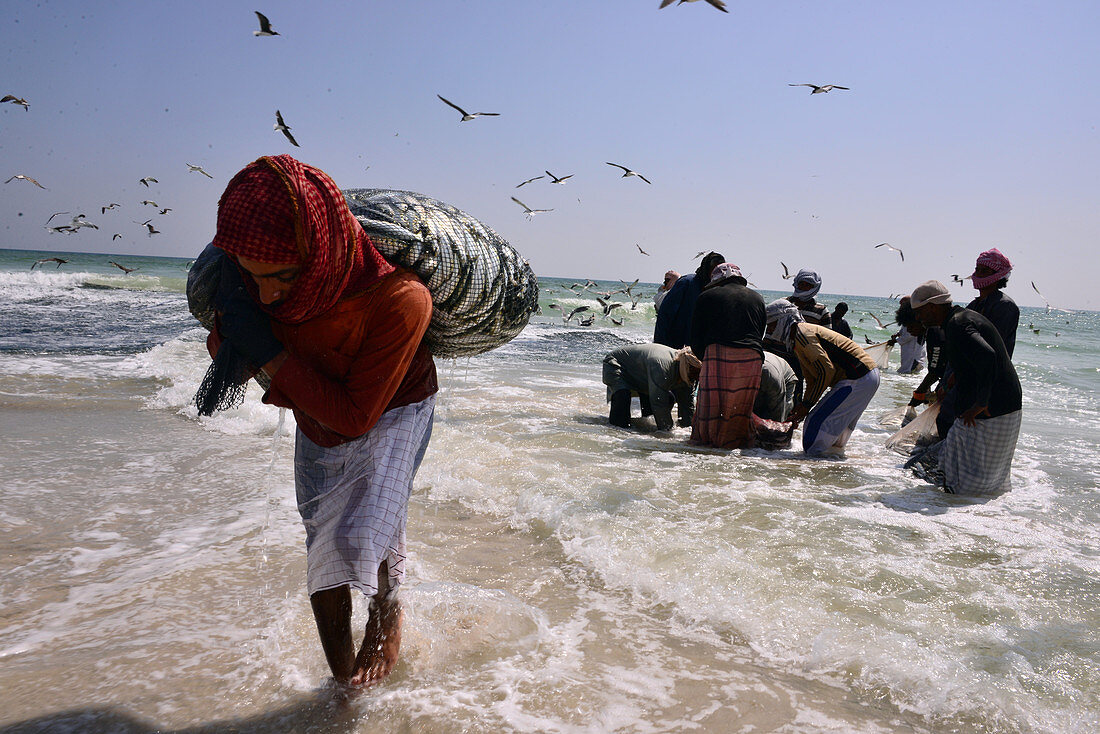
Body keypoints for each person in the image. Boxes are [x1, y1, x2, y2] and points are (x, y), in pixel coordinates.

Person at [200, 155, 437, 688]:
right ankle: (342, 680)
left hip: (395, 405)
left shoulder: (400, 299)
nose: (268, 296)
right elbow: (227, 351)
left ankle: (385, 618)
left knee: (369, 531)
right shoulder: (250, 283)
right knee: (324, 538)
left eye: (282, 277)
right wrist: (234, 334)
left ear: (319, 252)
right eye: (253, 279)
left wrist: (265, 349)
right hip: (313, 406)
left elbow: (353, 417)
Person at [910, 280, 1022, 495]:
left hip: (993, 406)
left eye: (920, 312)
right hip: (1003, 402)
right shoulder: (960, 319)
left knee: (964, 478)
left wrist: (981, 403)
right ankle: (977, 515)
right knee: (979, 475)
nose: (918, 318)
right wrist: (952, 382)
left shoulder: (958, 324)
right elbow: (972, 360)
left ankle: (961, 517)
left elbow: (988, 356)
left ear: (932, 307)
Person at [769, 299, 880, 456]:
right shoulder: (797, 340)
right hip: (866, 377)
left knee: (814, 427)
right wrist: (803, 407)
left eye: (772, 324)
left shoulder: (802, 333)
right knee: (837, 434)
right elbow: (812, 379)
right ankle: (831, 467)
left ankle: (814, 469)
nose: (770, 329)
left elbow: (826, 370)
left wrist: (807, 406)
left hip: (857, 377)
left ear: (783, 320)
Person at [688, 263, 766, 449]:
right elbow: (760, 331)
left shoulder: (707, 296)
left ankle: (706, 445)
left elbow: (696, 335)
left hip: (718, 352)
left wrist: (704, 357)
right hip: (753, 356)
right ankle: (736, 445)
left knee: (712, 406)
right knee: (740, 407)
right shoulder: (758, 298)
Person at [602, 344, 700, 430]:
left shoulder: (688, 371)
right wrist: (668, 434)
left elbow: (687, 406)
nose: (697, 378)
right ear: (689, 368)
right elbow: (658, 404)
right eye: (696, 374)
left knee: (668, 399)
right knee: (622, 397)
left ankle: (643, 427)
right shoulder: (663, 368)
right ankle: (616, 431)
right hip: (616, 364)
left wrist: (688, 430)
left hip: (642, 372)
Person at [653, 252, 725, 349]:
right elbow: (665, 314)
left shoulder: (716, 289)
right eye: (713, 269)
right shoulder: (687, 282)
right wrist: (659, 346)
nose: (714, 273)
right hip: (674, 344)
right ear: (706, 267)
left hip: (697, 347)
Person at [966, 248, 1019, 357]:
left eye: (984, 271)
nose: (979, 274)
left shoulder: (1004, 306)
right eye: (977, 270)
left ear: (998, 276)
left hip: (991, 371)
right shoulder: (973, 305)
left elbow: (991, 346)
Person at [889, 297, 926, 374]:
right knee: (907, 370)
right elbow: (904, 329)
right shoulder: (907, 316)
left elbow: (909, 336)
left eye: (902, 304)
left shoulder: (915, 317)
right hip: (908, 350)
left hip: (914, 353)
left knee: (908, 370)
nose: (900, 307)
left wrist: (895, 341)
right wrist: (898, 334)